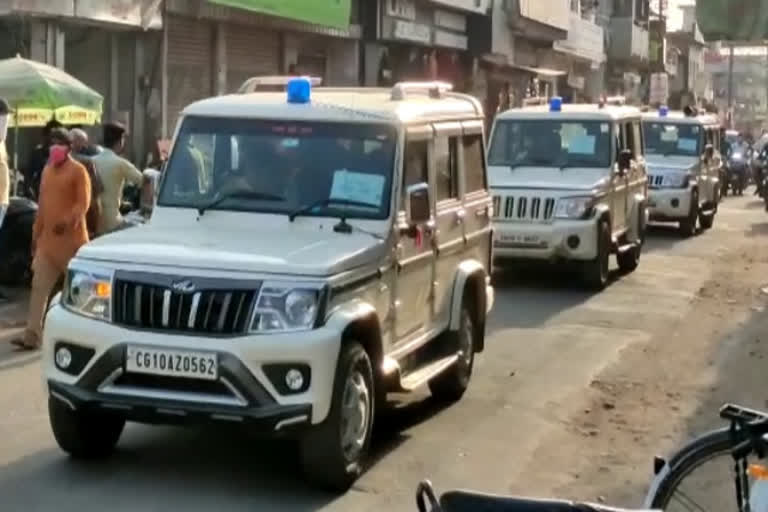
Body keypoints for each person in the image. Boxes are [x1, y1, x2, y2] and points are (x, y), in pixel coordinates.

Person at [10, 129, 91, 350]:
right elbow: (43, 208)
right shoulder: (47, 171)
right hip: (47, 244)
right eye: (52, 143)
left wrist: (66, 221)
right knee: (38, 288)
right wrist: (36, 236)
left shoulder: (78, 171)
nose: (54, 147)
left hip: (72, 243)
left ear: (69, 147)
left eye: (59, 143)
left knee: (77, 293)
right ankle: (32, 336)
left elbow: (82, 204)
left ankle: (82, 337)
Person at [92, 121, 145, 235]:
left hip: (92, 222)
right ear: (120, 141)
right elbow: (144, 181)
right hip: (113, 222)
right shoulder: (120, 163)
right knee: (143, 229)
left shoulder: (91, 161)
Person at [70, 128, 104, 237]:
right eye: (83, 142)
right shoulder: (87, 162)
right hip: (83, 220)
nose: (85, 146)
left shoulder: (51, 163)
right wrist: (96, 227)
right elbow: (96, 192)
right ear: (74, 142)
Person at [23, 119, 63, 200]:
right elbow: (28, 174)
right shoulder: (37, 153)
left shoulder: (66, 154)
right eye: (52, 136)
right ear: (45, 136)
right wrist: (28, 188)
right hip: (41, 195)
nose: (54, 140)